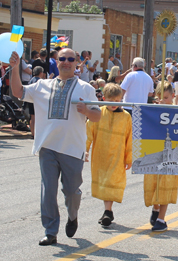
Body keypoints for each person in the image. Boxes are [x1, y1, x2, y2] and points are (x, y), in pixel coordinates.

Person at [9, 49, 101, 245]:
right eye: (62, 59)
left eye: (70, 59)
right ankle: (50, 231)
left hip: (73, 148)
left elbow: (97, 115)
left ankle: (73, 214)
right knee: (48, 190)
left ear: (77, 62)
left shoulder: (86, 88)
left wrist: (86, 110)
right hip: (47, 146)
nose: (66, 62)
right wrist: (15, 68)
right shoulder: (41, 85)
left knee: (71, 191)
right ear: (56, 62)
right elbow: (18, 92)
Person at [85, 83, 132, 226]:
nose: (114, 104)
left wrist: (129, 158)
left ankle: (108, 211)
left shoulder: (126, 117)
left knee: (112, 182)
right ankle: (107, 211)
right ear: (104, 98)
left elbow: (129, 138)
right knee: (104, 183)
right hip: (101, 156)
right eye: (111, 100)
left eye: (117, 101)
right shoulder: (98, 113)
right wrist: (85, 149)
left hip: (117, 157)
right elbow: (88, 133)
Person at [146, 82, 178, 231]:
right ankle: (155, 208)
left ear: (172, 96)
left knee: (166, 184)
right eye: (160, 98)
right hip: (155, 153)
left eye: (166, 97)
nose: (163, 100)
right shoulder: (152, 111)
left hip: (171, 155)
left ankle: (161, 218)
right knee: (154, 182)